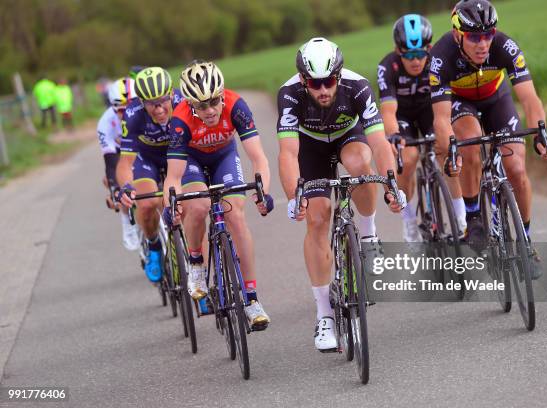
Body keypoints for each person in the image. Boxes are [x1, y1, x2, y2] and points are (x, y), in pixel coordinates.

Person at [277, 37, 405, 351]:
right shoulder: (289, 94)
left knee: (361, 163)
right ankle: (324, 316)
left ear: (339, 74)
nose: (322, 90)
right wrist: (295, 195)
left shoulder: (358, 87)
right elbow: (287, 153)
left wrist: (392, 185)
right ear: (303, 80)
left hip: (350, 136)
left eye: (329, 81)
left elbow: (379, 143)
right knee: (318, 216)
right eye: (314, 83)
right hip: (310, 146)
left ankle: (369, 235)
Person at [430, 0, 547, 278]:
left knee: (517, 169)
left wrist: (540, 133)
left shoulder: (505, 46)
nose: (482, 43)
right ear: (457, 35)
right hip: (461, 104)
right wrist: (451, 150)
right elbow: (440, 118)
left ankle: (526, 241)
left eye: (488, 35)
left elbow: (529, 98)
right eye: (474, 37)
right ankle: (474, 216)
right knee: (471, 143)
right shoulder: (441, 57)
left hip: (496, 99)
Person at [164, 60, 273, 330]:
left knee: (235, 215)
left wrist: (263, 192)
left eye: (214, 101)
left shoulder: (236, 105)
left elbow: (258, 158)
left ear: (222, 94)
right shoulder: (179, 121)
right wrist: (172, 204)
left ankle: (251, 299)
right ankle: (197, 263)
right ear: (191, 104)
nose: (210, 110)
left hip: (224, 156)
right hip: (191, 160)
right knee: (198, 207)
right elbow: (173, 178)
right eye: (202, 106)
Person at [378, 14, 467, 242]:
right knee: (407, 159)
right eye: (409, 54)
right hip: (402, 114)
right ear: (398, 51)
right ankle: (408, 221)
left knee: (446, 151)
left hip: (430, 110)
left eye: (420, 54)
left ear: (429, 47)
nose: (416, 61)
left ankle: (461, 218)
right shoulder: (388, 67)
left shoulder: (438, 61)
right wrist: (394, 136)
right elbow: (388, 111)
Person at [117, 67, 183, 283]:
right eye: (150, 103)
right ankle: (154, 246)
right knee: (146, 203)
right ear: (141, 101)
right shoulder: (133, 114)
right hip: (147, 160)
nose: (158, 108)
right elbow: (125, 161)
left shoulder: (183, 103)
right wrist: (126, 186)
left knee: (189, 204)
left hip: (177, 155)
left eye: (163, 100)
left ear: (171, 93)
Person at [96, 77, 140, 251]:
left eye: (131, 107)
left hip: (142, 149)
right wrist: (115, 188)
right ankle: (127, 224)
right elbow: (110, 161)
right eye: (121, 110)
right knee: (117, 184)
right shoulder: (105, 124)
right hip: (119, 154)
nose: (127, 113)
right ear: (113, 107)